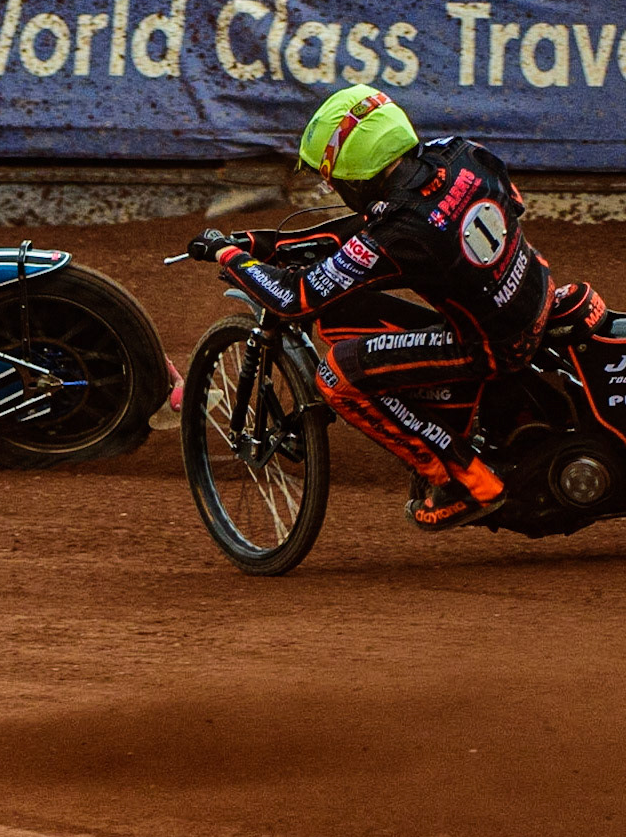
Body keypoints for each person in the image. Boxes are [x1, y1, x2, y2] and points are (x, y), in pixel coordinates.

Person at [185, 85, 553, 531]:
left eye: (334, 180)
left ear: (356, 178)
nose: (334, 188)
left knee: (337, 375)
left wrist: (231, 257)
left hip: (496, 343)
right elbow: (510, 202)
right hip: (536, 293)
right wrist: (272, 245)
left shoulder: (403, 232)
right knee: (351, 316)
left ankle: (466, 480)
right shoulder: (460, 154)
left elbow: (296, 298)